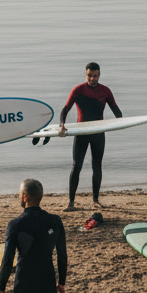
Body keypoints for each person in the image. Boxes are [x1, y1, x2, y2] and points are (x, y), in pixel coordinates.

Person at [58, 62, 122, 212]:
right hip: (82, 133)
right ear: (85, 74)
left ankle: (95, 201)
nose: (92, 78)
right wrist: (62, 125)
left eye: (95, 76)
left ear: (99, 75)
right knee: (76, 166)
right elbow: (65, 109)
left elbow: (117, 111)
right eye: (89, 75)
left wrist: (121, 122)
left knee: (97, 166)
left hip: (98, 133)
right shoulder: (78, 90)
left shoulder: (105, 91)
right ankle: (71, 202)